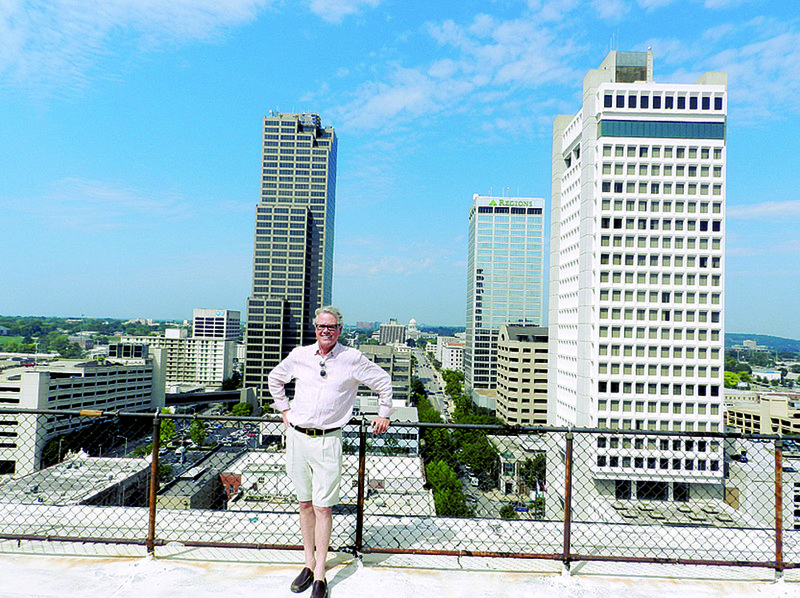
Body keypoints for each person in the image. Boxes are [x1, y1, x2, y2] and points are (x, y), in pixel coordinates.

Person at [268, 306, 393, 598]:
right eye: (322, 326)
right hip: (297, 438)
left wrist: (384, 413)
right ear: (315, 328)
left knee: (324, 507)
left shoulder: (352, 359)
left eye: (332, 326)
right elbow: (275, 379)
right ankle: (308, 564)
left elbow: (383, 382)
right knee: (305, 504)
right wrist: (284, 409)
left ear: (339, 330)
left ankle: (321, 573)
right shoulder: (299, 355)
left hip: (328, 441)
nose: (326, 330)